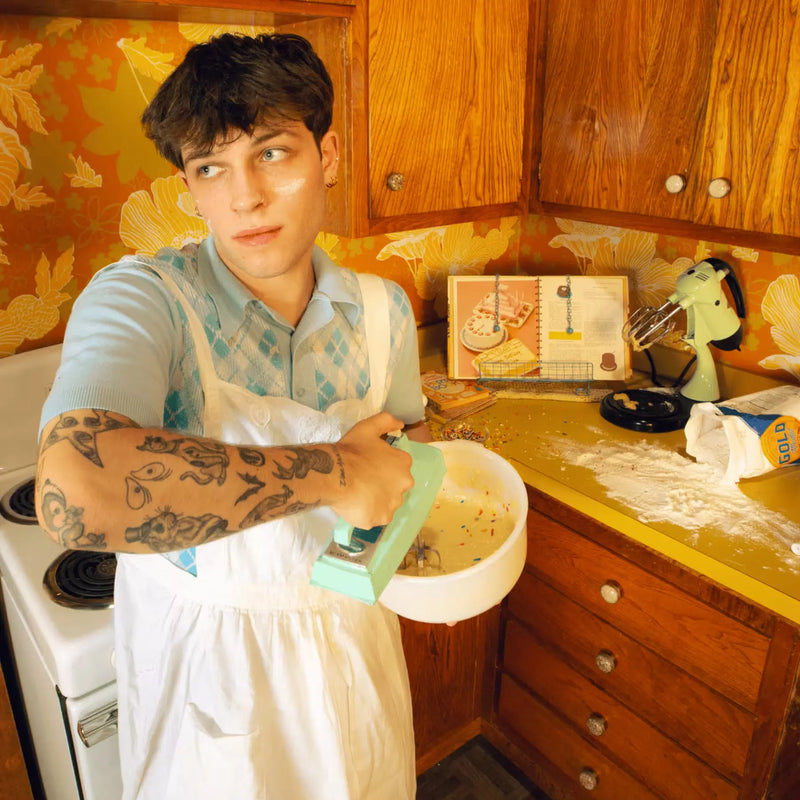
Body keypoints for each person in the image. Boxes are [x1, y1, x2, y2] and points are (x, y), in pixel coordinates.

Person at [36, 32, 428, 800]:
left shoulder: (385, 312)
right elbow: (74, 493)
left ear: (330, 153)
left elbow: (404, 464)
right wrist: (339, 472)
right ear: (188, 185)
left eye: (273, 153)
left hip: (356, 647)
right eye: (210, 167)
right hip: (209, 674)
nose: (243, 197)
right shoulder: (148, 300)